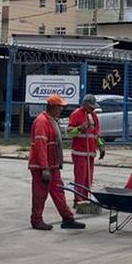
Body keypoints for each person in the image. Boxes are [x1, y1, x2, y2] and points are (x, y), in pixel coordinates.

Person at [29, 94, 85, 231]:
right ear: (52, 107)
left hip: (52, 165)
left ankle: (68, 218)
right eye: (59, 107)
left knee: (59, 192)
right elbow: (41, 146)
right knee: (40, 193)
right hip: (42, 166)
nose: (61, 110)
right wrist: (45, 168)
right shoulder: (42, 122)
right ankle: (36, 220)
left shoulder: (51, 120)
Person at [67, 94, 104, 209]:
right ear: (85, 104)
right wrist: (78, 129)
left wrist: (101, 146)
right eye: (91, 107)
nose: (93, 109)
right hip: (80, 153)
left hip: (90, 153)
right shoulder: (76, 114)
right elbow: (69, 132)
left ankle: (85, 199)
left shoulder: (93, 116)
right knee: (80, 178)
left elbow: (96, 133)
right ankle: (78, 200)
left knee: (88, 178)